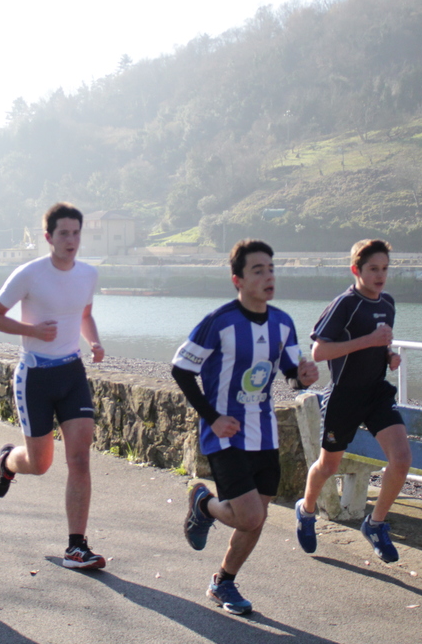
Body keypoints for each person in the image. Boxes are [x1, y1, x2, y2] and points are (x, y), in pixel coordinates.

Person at [173, 239, 319, 615]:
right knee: (250, 515)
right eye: (258, 270)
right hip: (225, 435)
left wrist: (303, 377)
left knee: (256, 518)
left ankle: (223, 581)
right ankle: (203, 504)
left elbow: (292, 375)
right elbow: (181, 369)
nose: (268, 277)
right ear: (237, 279)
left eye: (271, 269)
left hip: (265, 433)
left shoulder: (283, 322)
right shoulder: (219, 322)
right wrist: (212, 418)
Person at [0, 202, 108, 570]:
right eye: (63, 233)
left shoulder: (88, 274)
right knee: (40, 464)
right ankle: (8, 461)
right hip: (35, 376)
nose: (71, 240)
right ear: (48, 237)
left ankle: (76, 547)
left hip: (72, 373)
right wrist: (32, 331)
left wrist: (94, 341)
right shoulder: (29, 273)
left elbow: (84, 315)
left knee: (79, 458)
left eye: (76, 233)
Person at [294, 238, 410, 563]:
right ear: (356, 270)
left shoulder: (387, 303)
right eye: (373, 269)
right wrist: (369, 341)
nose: (380, 275)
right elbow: (319, 352)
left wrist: (388, 355)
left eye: (384, 268)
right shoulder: (345, 304)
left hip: (376, 393)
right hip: (344, 396)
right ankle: (306, 510)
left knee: (401, 459)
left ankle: (375, 524)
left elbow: (379, 343)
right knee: (328, 466)